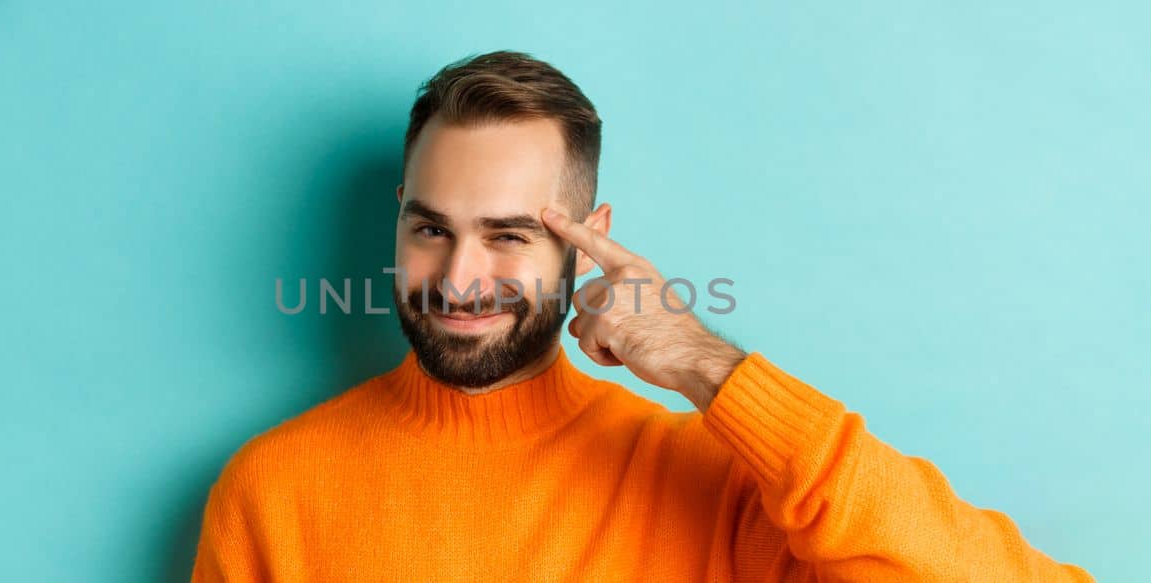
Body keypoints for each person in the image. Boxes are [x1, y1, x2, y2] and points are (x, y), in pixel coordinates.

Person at [190, 50, 1093, 582]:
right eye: (431, 227)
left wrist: (715, 370)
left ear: (589, 237)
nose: (459, 278)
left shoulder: (712, 485)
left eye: (508, 235)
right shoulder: (274, 492)